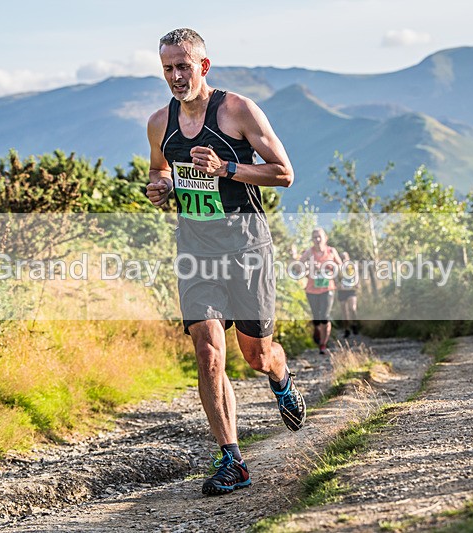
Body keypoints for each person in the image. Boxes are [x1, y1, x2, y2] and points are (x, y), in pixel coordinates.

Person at [145, 28, 306, 497]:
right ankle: (232, 459)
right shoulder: (160, 123)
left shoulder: (237, 110)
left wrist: (228, 168)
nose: (176, 76)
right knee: (208, 350)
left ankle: (280, 376)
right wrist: (161, 187)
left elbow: (284, 173)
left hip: (247, 247)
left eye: (184, 67)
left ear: (204, 66)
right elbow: (159, 169)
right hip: (196, 251)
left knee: (255, 354)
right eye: (168, 68)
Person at [297, 228, 343, 354]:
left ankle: (323, 344)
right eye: (314, 237)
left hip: (327, 288)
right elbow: (298, 266)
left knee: (325, 316)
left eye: (319, 237)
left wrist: (330, 267)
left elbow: (340, 266)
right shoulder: (309, 252)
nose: (317, 239)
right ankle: (317, 331)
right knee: (316, 318)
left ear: (325, 238)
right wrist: (308, 267)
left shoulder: (331, 251)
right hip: (312, 289)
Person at [337, 251, 358, 337]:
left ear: (348, 258)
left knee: (352, 308)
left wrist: (356, 283)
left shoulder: (353, 266)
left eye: (345, 257)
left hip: (351, 290)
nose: (343, 259)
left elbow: (356, 276)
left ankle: (354, 325)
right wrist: (338, 284)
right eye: (341, 258)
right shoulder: (338, 268)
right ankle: (346, 330)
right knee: (344, 311)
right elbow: (335, 279)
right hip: (342, 291)